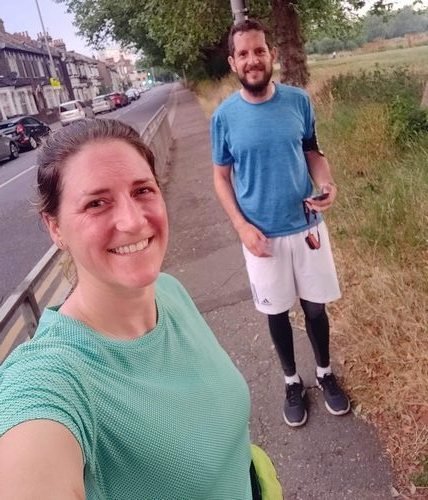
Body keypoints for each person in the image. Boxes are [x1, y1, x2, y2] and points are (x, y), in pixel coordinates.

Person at [0, 119, 254, 499]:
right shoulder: (51, 380)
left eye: (142, 190)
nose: (133, 221)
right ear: (55, 227)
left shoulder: (170, 292)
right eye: (96, 203)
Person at [210, 19, 350, 428]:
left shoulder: (298, 101)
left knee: (315, 307)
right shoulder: (224, 117)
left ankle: (324, 373)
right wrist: (241, 227)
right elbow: (220, 177)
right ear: (233, 63)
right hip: (261, 236)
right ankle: (292, 381)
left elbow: (313, 152)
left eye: (259, 51)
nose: (253, 60)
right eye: (243, 54)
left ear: (271, 55)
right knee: (276, 312)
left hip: (306, 227)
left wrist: (326, 183)